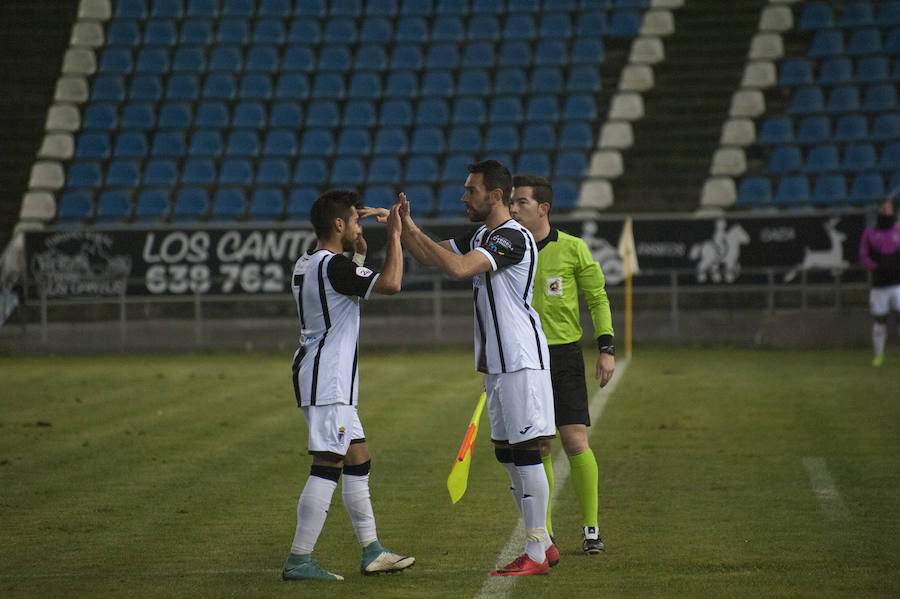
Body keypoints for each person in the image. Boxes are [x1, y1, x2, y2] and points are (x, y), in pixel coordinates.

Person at [397, 160, 558, 576]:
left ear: (496, 196)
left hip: (521, 360)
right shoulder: (483, 234)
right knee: (506, 453)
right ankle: (543, 543)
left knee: (525, 454)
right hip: (497, 365)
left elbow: (456, 268)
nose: (464, 197)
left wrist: (414, 231)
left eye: (471, 190)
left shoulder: (513, 237)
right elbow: (430, 258)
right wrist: (402, 227)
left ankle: (538, 550)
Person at [281, 190, 415, 581]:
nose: (359, 225)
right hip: (329, 380)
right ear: (338, 225)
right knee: (328, 464)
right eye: (355, 220)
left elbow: (341, 291)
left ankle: (372, 550)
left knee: (358, 459)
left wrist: (358, 252)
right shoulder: (333, 267)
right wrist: (394, 235)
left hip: (320, 374)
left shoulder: (307, 263)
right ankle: (299, 559)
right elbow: (391, 284)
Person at [508, 174, 615, 556]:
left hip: (564, 355)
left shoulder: (573, 249)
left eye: (521, 202)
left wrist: (606, 347)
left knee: (574, 441)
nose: (513, 208)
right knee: (538, 446)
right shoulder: (507, 249)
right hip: (523, 359)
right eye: (511, 202)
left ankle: (591, 530)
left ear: (543, 208)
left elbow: (597, 297)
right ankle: (546, 532)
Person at [858, 197, 900, 367]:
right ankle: (879, 355)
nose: (885, 212)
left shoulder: (898, 231)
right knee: (879, 320)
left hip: (898, 283)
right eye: (882, 209)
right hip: (879, 285)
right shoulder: (869, 233)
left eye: (888, 208)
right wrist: (876, 266)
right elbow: (863, 257)